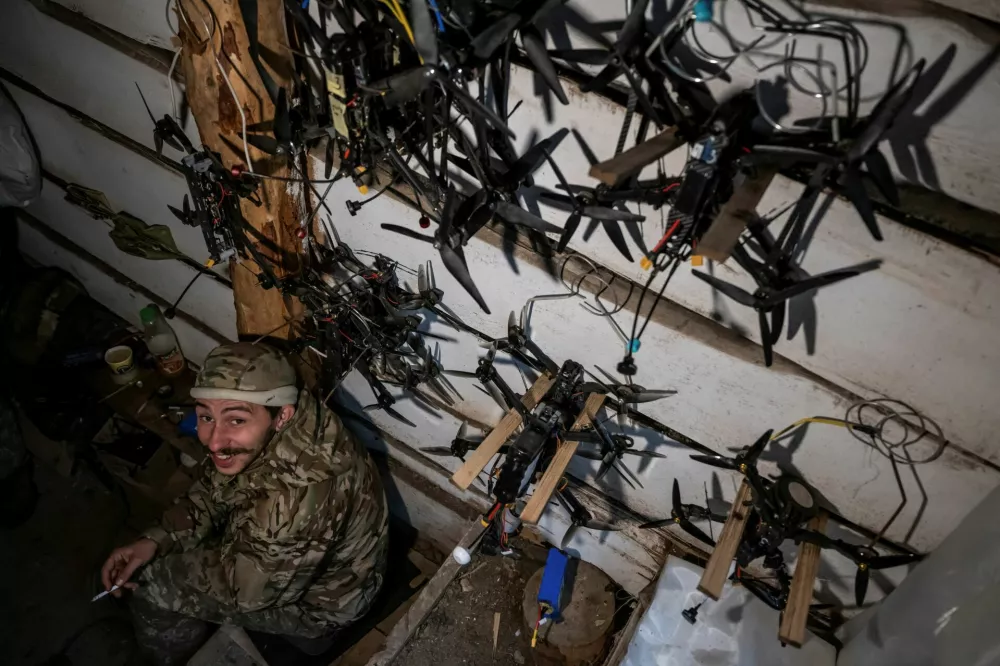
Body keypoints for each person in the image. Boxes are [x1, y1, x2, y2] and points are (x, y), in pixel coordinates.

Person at [100, 342, 389, 665]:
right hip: (286, 555)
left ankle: (167, 658)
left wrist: (162, 569)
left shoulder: (292, 506)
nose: (213, 439)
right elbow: (214, 486)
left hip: (322, 605)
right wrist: (156, 538)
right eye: (206, 416)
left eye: (235, 420)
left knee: (152, 587)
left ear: (281, 417)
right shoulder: (286, 414)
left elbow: (248, 595)